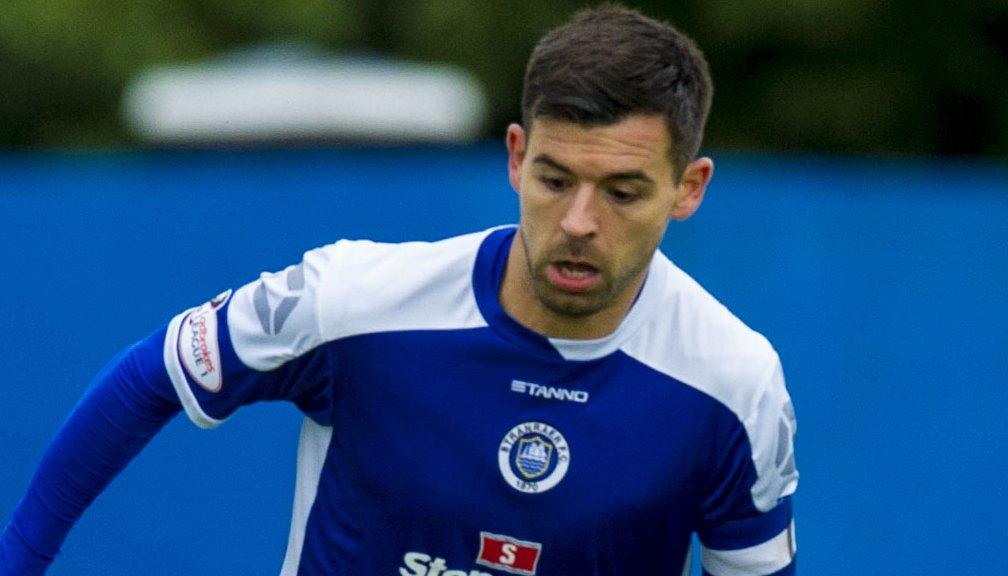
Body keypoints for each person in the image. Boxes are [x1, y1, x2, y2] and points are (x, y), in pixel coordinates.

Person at [0, 5, 798, 575]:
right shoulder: (354, 300)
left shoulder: (733, 382)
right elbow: (152, 376)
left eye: (623, 192)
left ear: (688, 188)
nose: (580, 221)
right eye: (555, 179)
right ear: (517, 157)